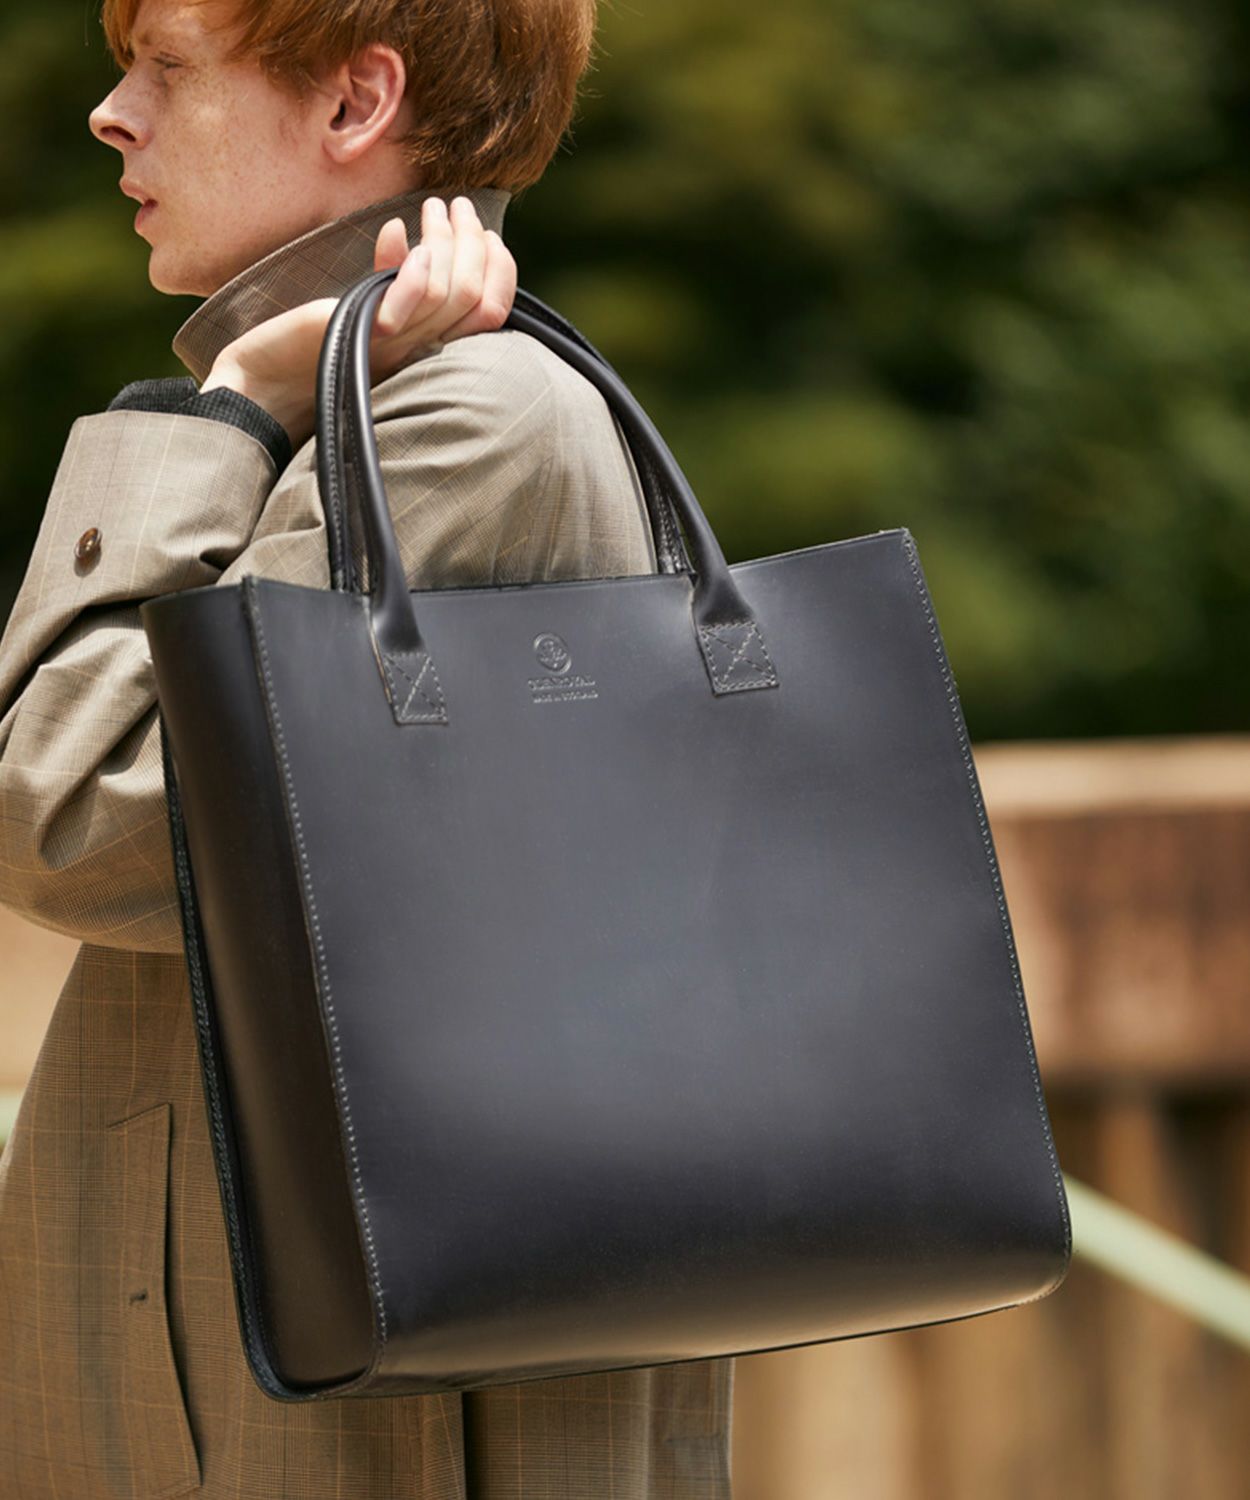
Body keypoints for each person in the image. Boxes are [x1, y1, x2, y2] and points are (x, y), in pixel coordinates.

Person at [0, 0, 736, 1495]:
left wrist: (219, 411)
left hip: (310, 1425)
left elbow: (63, 810)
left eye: (168, 65)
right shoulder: (400, 408)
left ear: (355, 104)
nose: (113, 113)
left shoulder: (460, 419)